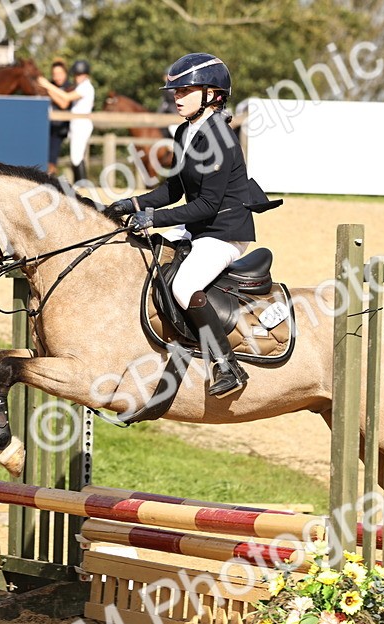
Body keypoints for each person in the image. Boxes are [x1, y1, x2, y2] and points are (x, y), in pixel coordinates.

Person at [109, 53, 269, 398]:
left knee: (184, 285)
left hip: (224, 231)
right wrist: (131, 204)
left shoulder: (220, 139)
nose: (176, 97)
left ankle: (226, 364)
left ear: (213, 94)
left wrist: (152, 219)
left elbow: (207, 205)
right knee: (144, 255)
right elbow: (174, 190)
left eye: (184, 91)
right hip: (199, 225)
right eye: (175, 92)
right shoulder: (185, 131)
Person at [37, 59, 95, 182]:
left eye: (81, 74)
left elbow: (66, 97)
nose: (78, 77)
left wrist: (48, 85)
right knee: (76, 157)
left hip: (81, 124)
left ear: (86, 75)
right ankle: (80, 183)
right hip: (76, 124)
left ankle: (82, 183)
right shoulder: (81, 86)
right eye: (77, 74)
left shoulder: (85, 87)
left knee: (76, 157)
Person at [45, 59, 73, 176]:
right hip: (46, 127)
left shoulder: (70, 87)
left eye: (60, 74)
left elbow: (64, 104)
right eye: (55, 74)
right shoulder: (51, 84)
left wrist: (48, 89)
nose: (57, 77)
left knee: (52, 160)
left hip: (59, 129)